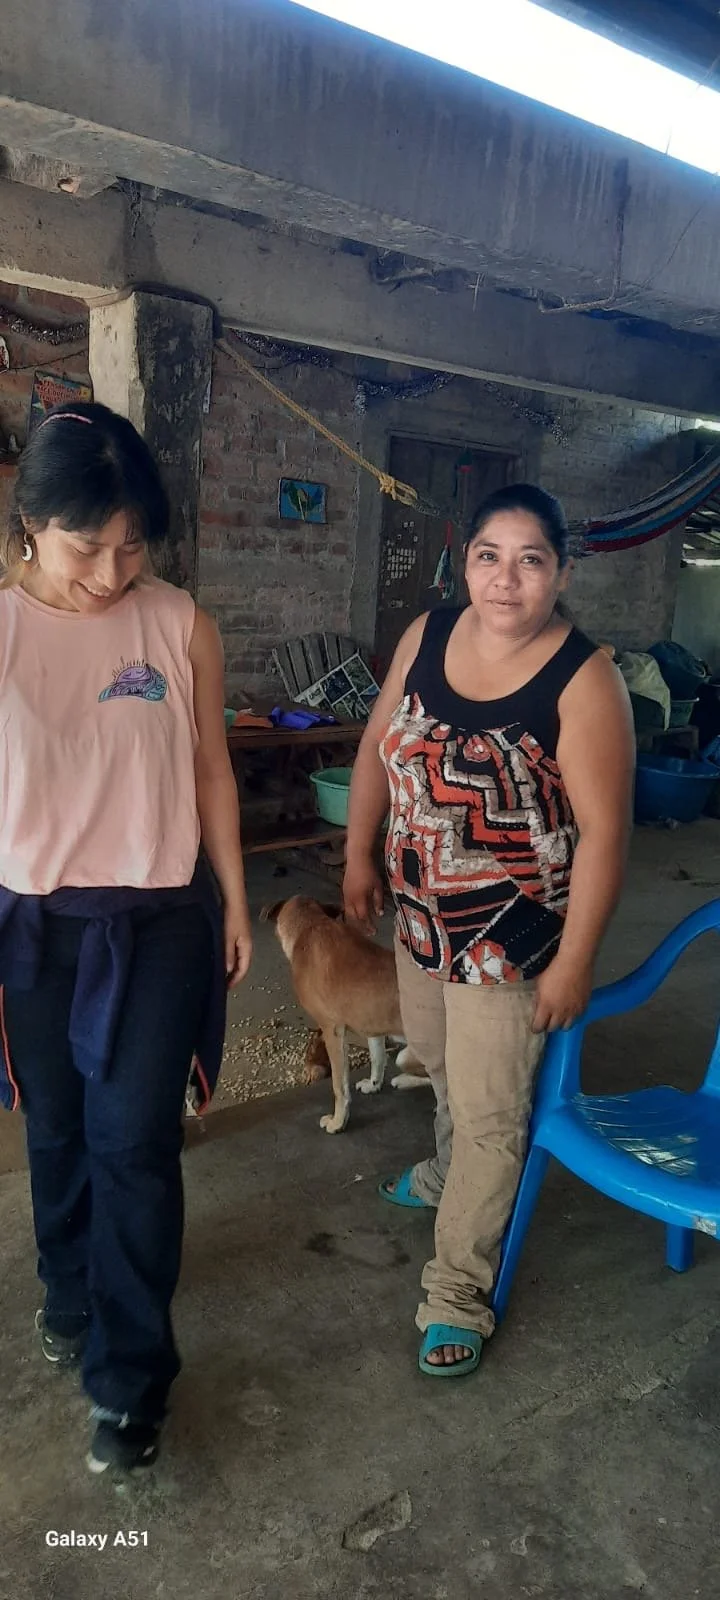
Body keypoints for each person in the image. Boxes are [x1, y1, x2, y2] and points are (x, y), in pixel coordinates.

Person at [0, 402, 252, 1469]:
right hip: (33, 924)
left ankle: (131, 1377)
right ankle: (69, 1292)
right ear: (27, 524)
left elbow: (208, 771)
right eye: (83, 546)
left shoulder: (179, 623)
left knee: (135, 1142)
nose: (111, 572)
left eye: (131, 543)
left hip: (157, 921)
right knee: (53, 1130)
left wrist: (237, 898)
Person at [343, 483, 634, 1377]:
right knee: (437, 1068)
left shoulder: (585, 679)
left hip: (511, 944)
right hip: (419, 919)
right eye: (487, 556)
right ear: (462, 561)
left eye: (530, 560)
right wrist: (360, 854)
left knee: (493, 1118)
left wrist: (574, 962)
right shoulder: (427, 636)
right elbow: (374, 749)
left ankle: (457, 1292)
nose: (505, 580)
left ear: (561, 572)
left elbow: (607, 837)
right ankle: (440, 1175)